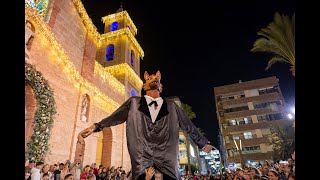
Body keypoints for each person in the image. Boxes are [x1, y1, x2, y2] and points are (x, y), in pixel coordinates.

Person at [78, 71, 213, 180]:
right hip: (142, 158)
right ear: (145, 84)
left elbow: (187, 124)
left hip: (166, 159)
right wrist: (96, 126)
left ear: (160, 86)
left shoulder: (171, 106)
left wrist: (202, 143)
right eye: (150, 78)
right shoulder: (133, 103)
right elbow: (115, 117)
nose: (154, 79)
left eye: (157, 78)